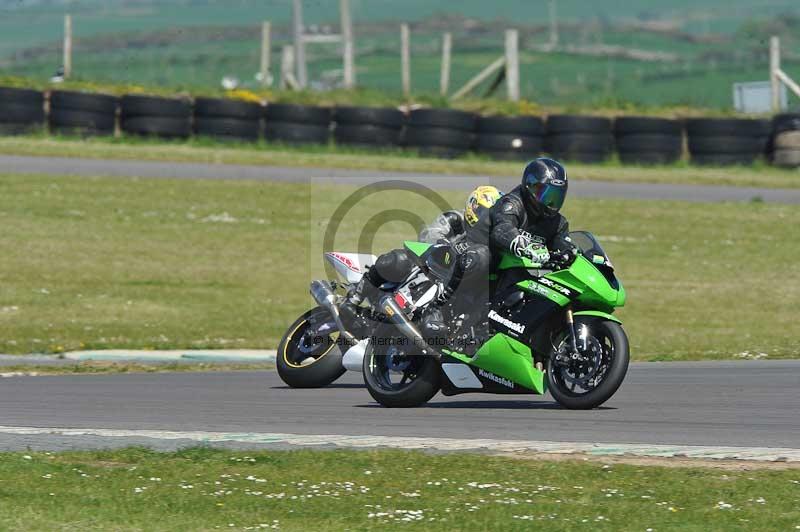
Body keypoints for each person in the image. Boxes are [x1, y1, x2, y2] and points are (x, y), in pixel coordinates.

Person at [348, 185, 502, 306]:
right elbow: (429, 235)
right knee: (397, 260)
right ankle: (356, 296)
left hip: (456, 286)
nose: (488, 221)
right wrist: (446, 248)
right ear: (473, 207)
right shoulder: (455, 219)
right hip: (428, 269)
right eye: (484, 214)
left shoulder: (492, 242)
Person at [466, 158, 577, 292]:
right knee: (482, 256)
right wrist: (522, 244)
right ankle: (439, 302)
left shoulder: (559, 223)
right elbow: (502, 229)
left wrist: (569, 253)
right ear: (530, 186)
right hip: (482, 255)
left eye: (556, 197)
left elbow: (563, 247)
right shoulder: (512, 204)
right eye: (546, 195)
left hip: (518, 275)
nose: (551, 203)